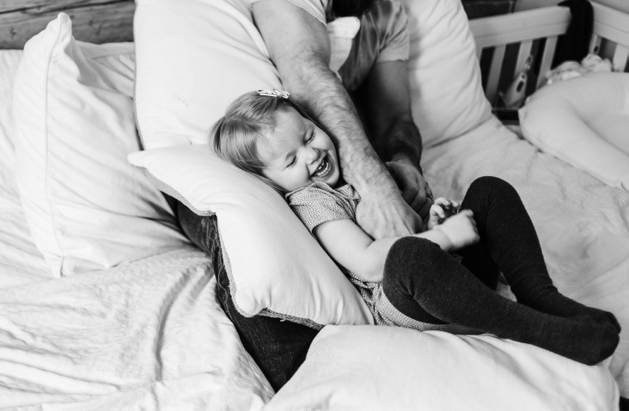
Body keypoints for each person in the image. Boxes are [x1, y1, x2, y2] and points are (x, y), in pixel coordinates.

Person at [171, 0, 440, 387]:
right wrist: (377, 189)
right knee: (259, 253)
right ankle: (308, 389)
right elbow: (306, 72)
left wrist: (402, 164)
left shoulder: (387, 16)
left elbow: (396, 118)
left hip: (316, 178)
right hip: (233, 162)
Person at [209, 89, 621, 365]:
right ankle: (532, 328)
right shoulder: (312, 200)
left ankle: (541, 296)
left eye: (308, 135)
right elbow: (369, 262)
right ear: (271, 182)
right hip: (404, 305)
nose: (311, 153)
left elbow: (408, 224)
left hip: (454, 280)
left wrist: (435, 224)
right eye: (291, 160)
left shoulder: (354, 168)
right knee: (409, 258)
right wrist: (441, 238)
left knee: (489, 191)